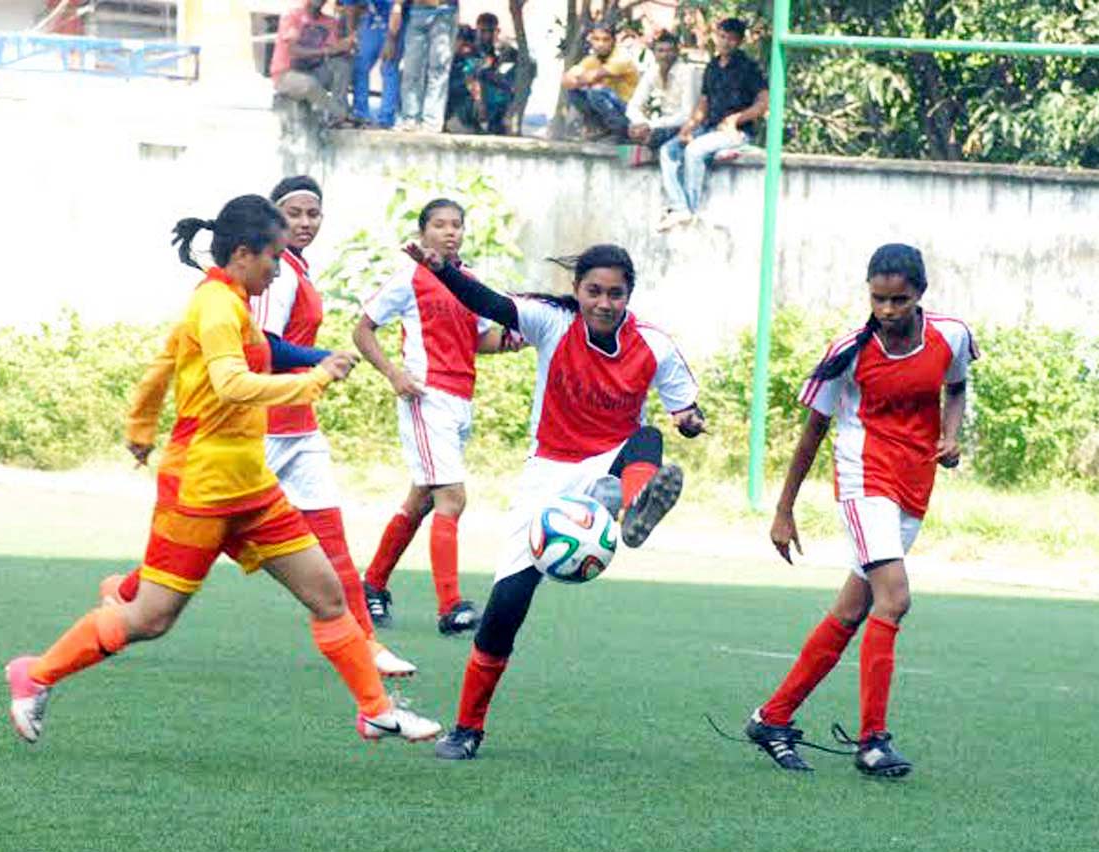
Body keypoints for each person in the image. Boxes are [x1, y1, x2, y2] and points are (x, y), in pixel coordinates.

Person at [5, 195, 441, 747]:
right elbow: (230, 384)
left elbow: (164, 364)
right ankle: (36, 674)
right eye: (274, 257)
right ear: (242, 253)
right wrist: (316, 380)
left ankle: (376, 710)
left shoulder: (229, 301)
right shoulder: (215, 306)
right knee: (151, 619)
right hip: (203, 489)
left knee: (328, 595)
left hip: (251, 486)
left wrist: (140, 429)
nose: (278, 268)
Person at [99, 176, 418, 679]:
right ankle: (130, 595)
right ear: (270, 226)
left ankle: (367, 646)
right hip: (255, 427)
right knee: (206, 537)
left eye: (314, 213)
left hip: (299, 426)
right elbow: (259, 347)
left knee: (330, 538)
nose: (305, 223)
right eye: (294, 214)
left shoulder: (292, 268)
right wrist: (318, 362)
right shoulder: (263, 276)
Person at [401, 242, 706, 760]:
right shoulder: (551, 322)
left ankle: (629, 507)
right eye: (594, 291)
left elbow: (685, 409)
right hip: (548, 474)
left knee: (648, 437)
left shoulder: (654, 345)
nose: (605, 303)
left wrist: (690, 421)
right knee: (506, 609)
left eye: (616, 293)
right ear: (577, 291)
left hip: (611, 458)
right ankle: (467, 728)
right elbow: (489, 303)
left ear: (629, 295)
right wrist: (442, 271)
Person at [743, 244, 978, 778]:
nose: (888, 311)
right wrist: (784, 510)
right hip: (863, 477)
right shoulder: (848, 352)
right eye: (878, 299)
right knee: (894, 599)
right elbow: (812, 433)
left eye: (899, 300)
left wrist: (950, 435)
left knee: (853, 610)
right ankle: (872, 741)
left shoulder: (952, 335)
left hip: (914, 485)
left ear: (920, 294)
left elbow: (957, 385)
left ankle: (772, 717)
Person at [353, 199, 519, 635]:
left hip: (460, 400)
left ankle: (371, 585)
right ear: (423, 232)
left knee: (421, 500)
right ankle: (450, 608)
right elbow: (362, 328)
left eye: (457, 225)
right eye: (440, 225)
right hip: (427, 398)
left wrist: (522, 337)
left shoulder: (468, 282)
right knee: (453, 499)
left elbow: (480, 339)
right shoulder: (411, 276)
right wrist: (394, 374)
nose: (449, 232)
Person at [657, 18, 767, 231]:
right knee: (669, 149)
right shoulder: (713, 66)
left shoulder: (748, 67)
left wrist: (737, 119)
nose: (725, 43)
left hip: (737, 132)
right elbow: (704, 103)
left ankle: (692, 209)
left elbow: (763, 103)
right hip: (710, 128)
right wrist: (689, 127)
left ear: (739, 41)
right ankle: (679, 206)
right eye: (722, 37)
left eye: (731, 39)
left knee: (694, 150)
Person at [271, 0, 357, 128]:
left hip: (314, 71)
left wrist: (345, 45)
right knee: (309, 85)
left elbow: (332, 49)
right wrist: (326, 51)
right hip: (287, 74)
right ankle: (340, 114)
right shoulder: (293, 15)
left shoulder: (330, 22)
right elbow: (293, 50)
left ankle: (337, 115)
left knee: (342, 66)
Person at [561, 22, 640, 141]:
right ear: (591, 40)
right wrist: (580, 79)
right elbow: (566, 81)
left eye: (605, 40)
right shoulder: (591, 60)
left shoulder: (622, 57)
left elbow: (592, 77)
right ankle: (599, 129)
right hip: (610, 108)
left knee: (596, 91)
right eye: (596, 39)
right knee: (574, 92)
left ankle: (620, 132)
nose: (600, 44)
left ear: (613, 41)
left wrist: (581, 78)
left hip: (628, 111)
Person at [625, 30, 696, 151]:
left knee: (650, 138)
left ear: (677, 52)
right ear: (654, 53)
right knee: (627, 129)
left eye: (669, 51)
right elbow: (633, 105)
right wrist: (640, 123)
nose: (664, 55)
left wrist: (650, 125)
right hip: (659, 125)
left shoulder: (688, 73)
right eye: (660, 51)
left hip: (683, 127)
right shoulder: (652, 71)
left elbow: (687, 115)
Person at [397, 0, 458, 132]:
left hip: (444, 11)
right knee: (411, 68)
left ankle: (431, 122)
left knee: (438, 69)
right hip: (417, 10)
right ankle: (410, 118)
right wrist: (397, 7)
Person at [351, 0, 405, 128]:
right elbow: (350, 7)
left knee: (389, 68)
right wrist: (353, 35)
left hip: (397, 24)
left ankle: (386, 119)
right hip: (370, 25)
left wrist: (391, 39)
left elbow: (398, 9)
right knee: (360, 67)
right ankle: (360, 115)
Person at [445, 25, 483, 133]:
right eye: (462, 41)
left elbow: (474, 78)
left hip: (465, 98)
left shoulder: (474, 59)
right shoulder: (447, 58)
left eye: (468, 43)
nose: (466, 48)